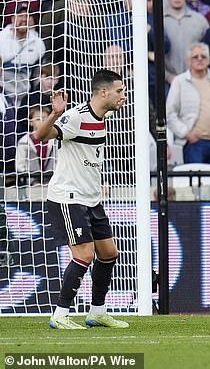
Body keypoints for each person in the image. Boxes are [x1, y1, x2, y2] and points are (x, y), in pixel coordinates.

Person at [34, 70, 129, 329]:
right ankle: (60, 314)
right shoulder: (75, 117)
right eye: (119, 91)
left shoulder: (104, 115)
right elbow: (41, 136)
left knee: (109, 253)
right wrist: (54, 113)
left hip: (91, 198)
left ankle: (97, 311)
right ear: (102, 92)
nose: (123, 95)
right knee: (85, 254)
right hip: (68, 197)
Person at [166, 43, 210, 167]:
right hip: (195, 143)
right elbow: (170, 114)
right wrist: (186, 134)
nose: (200, 59)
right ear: (188, 60)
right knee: (195, 184)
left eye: (203, 56)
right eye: (195, 57)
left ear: (209, 60)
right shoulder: (180, 82)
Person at [15, 106, 56, 185]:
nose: (42, 121)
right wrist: (32, 181)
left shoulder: (55, 140)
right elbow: (20, 166)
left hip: (52, 182)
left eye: (44, 119)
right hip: (31, 184)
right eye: (38, 119)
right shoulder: (24, 142)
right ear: (30, 122)